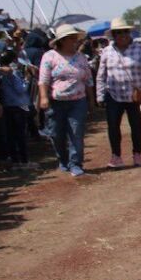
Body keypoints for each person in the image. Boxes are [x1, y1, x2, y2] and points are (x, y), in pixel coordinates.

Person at [96, 17, 141, 169]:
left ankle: (137, 154)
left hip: (135, 95)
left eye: (125, 32)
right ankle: (116, 156)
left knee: (136, 125)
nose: (122, 35)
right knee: (113, 126)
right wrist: (99, 94)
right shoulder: (106, 52)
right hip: (113, 94)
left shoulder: (139, 49)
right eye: (118, 33)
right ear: (113, 35)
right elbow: (101, 75)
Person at [38, 24, 94, 177]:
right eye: (72, 38)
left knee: (76, 132)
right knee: (56, 133)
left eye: (76, 38)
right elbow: (43, 79)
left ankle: (75, 163)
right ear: (62, 40)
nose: (76, 41)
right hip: (56, 102)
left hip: (78, 101)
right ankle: (63, 160)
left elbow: (88, 80)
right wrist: (43, 97)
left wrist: (91, 99)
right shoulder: (49, 56)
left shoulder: (81, 58)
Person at [0, 50, 33, 169]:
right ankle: (24, 161)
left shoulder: (1, 73)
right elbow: (20, 89)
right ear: (14, 60)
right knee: (20, 134)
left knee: (10, 135)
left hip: (7, 106)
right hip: (19, 106)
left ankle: (15, 161)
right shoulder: (14, 72)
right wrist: (27, 79)